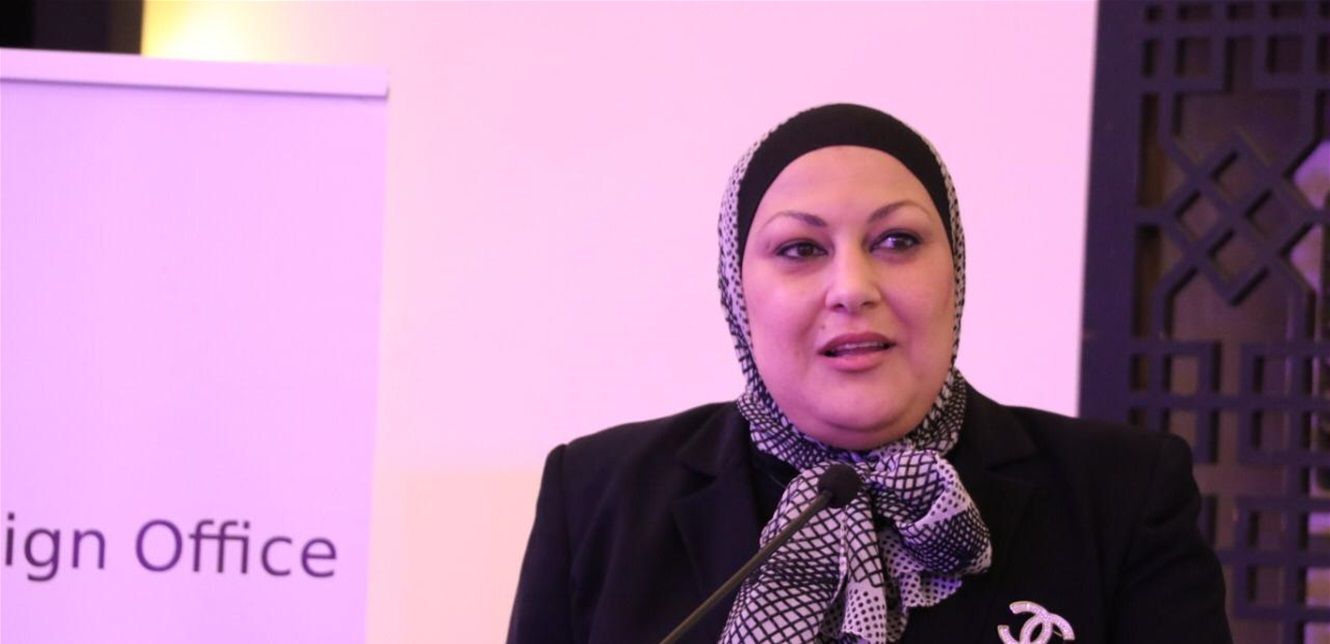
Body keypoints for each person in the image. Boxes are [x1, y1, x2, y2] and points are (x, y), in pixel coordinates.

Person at [506, 104, 1231, 643]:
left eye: (897, 240)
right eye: (800, 249)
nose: (852, 288)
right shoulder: (599, 496)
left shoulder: (1121, 495)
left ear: (955, 271)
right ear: (737, 289)